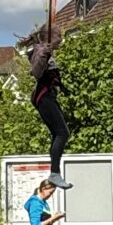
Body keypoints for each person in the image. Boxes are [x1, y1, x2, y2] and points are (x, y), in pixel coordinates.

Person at [29, 44, 73, 189]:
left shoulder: (48, 54)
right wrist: (44, 54)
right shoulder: (41, 52)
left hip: (47, 97)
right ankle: (55, 173)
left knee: (58, 134)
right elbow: (37, 72)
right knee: (62, 133)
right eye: (58, 36)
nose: (60, 40)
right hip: (44, 97)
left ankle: (55, 171)